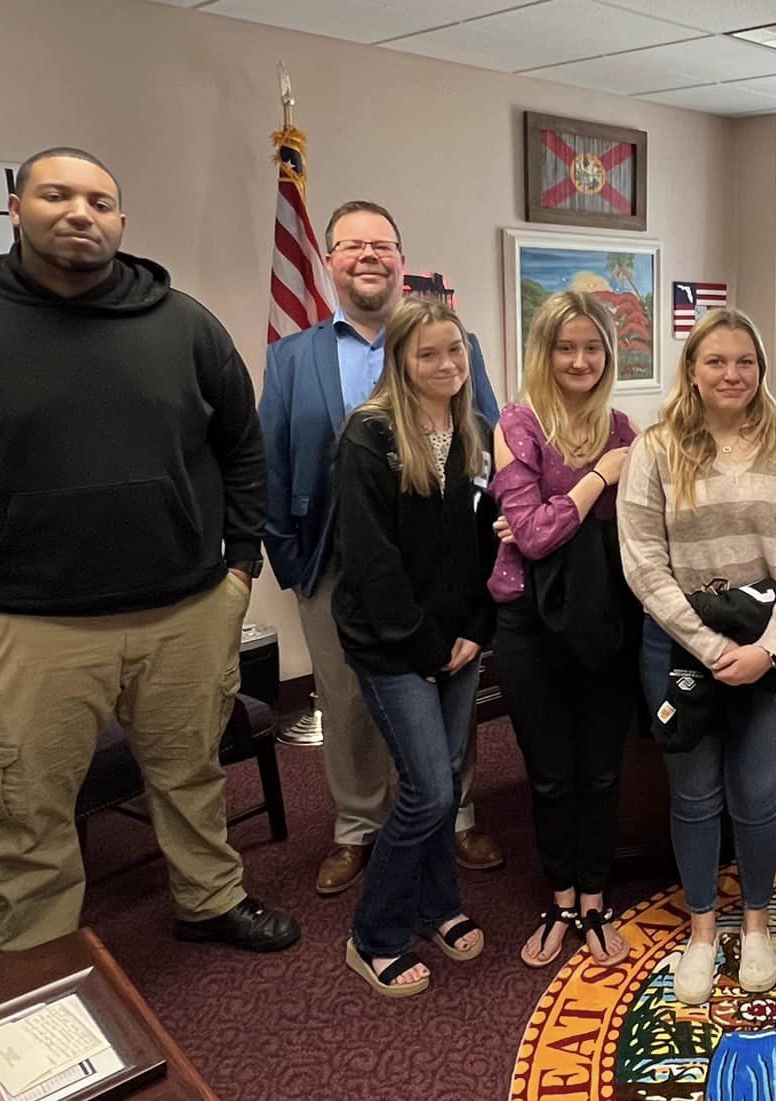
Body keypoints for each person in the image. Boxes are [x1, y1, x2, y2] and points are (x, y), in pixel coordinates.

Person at [0, 147, 299, 960]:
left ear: (121, 222)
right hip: (26, 630)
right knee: (27, 808)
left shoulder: (184, 324)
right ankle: (38, 958)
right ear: (16, 208)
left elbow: (242, 448)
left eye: (99, 199)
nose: (79, 212)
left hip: (186, 612)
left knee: (191, 775)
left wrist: (239, 568)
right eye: (57, 195)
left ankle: (209, 899)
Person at [260, 200, 504, 896]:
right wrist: (288, 557)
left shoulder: (452, 343)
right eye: (351, 246)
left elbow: (482, 438)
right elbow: (270, 461)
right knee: (347, 701)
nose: (367, 255)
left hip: (437, 566)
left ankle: (454, 816)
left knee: (449, 686)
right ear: (329, 262)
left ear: (401, 258)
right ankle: (357, 826)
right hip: (334, 563)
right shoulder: (292, 356)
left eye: (381, 244)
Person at [619, 309, 776, 1004]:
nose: (732, 374)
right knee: (695, 796)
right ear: (692, 370)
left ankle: (758, 923)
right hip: (679, 646)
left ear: (761, 371)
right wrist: (709, 649)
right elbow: (643, 565)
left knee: (757, 794)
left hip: (770, 648)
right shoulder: (655, 449)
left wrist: (767, 649)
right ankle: (703, 930)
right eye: (717, 361)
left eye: (745, 362)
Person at [333, 299, 495, 997]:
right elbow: (373, 564)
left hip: (457, 641)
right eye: (428, 354)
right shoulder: (368, 437)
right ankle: (375, 935)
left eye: (454, 351)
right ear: (400, 360)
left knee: (448, 777)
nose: (446, 365)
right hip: (393, 644)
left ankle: (438, 906)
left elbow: (485, 547)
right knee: (428, 791)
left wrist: (474, 631)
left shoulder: (473, 431)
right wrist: (429, 647)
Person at [493, 290, 640, 968]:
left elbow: (640, 531)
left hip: (605, 617)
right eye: (565, 347)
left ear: (608, 354)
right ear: (544, 352)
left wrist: (556, 510)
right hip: (529, 623)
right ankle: (559, 901)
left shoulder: (625, 429)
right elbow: (532, 534)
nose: (579, 360)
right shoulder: (517, 425)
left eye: (592, 347)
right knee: (551, 775)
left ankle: (594, 899)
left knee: (602, 773)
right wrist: (599, 480)